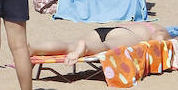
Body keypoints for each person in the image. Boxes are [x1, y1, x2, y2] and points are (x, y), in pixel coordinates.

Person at [29, 22, 170, 63]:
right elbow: (159, 39)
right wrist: (172, 41)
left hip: (104, 29)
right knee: (106, 47)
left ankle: (33, 48)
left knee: (69, 46)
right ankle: (85, 49)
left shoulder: (136, 22)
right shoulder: (158, 28)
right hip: (126, 35)